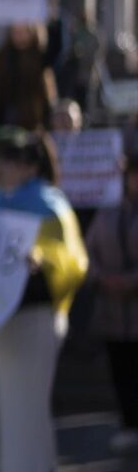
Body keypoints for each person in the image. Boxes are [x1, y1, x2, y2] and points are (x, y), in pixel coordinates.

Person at [0, 127, 90, 472]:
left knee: (29, 406)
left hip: (36, 315)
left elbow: (71, 260)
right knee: (16, 406)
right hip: (6, 318)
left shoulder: (48, 203)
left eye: (6, 160)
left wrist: (40, 260)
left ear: (27, 165)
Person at [84, 157, 138, 455]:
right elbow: (87, 251)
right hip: (113, 311)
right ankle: (129, 423)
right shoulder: (108, 213)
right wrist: (102, 278)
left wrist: (131, 281)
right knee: (121, 369)